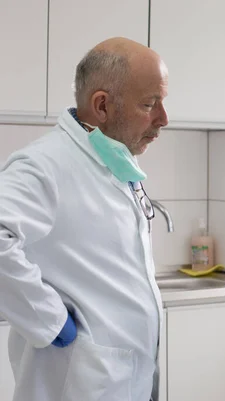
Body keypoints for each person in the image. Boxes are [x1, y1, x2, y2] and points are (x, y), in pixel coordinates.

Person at [0, 37, 169, 401]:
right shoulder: (44, 166)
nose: (163, 119)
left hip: (127, 378)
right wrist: (49, 319)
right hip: (81, 383)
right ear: (102, 105)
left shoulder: (117, 166)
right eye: (149, 104)